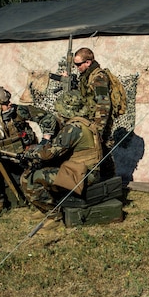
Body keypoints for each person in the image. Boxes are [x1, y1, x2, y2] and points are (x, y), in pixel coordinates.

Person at [0, 86, 57, 218]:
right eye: (6, 103)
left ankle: (42, 197)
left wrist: (45, 140)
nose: (10, 104)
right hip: (1, 160)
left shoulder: (18, 111)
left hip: (25, 154)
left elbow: (46, 117)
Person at [20, 90, 103, 220]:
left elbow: (49, 154)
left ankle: (53, 216)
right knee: (44, 170)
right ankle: (45, 209)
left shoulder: (73, 128)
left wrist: (31, 151)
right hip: (88, 170)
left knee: (30, 177)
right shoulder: (85, 122)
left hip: (84, 175)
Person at [72, 47, 115, 178]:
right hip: (91, 121)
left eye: (79, 64)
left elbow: (104, 104)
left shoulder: (98, 77)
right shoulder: (87, 76)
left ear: (88, 62)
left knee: (103, 152)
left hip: (99, 123)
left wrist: (99, 130)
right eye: (75, 64)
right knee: (95, 153)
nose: (77, 67)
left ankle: (110, 183)